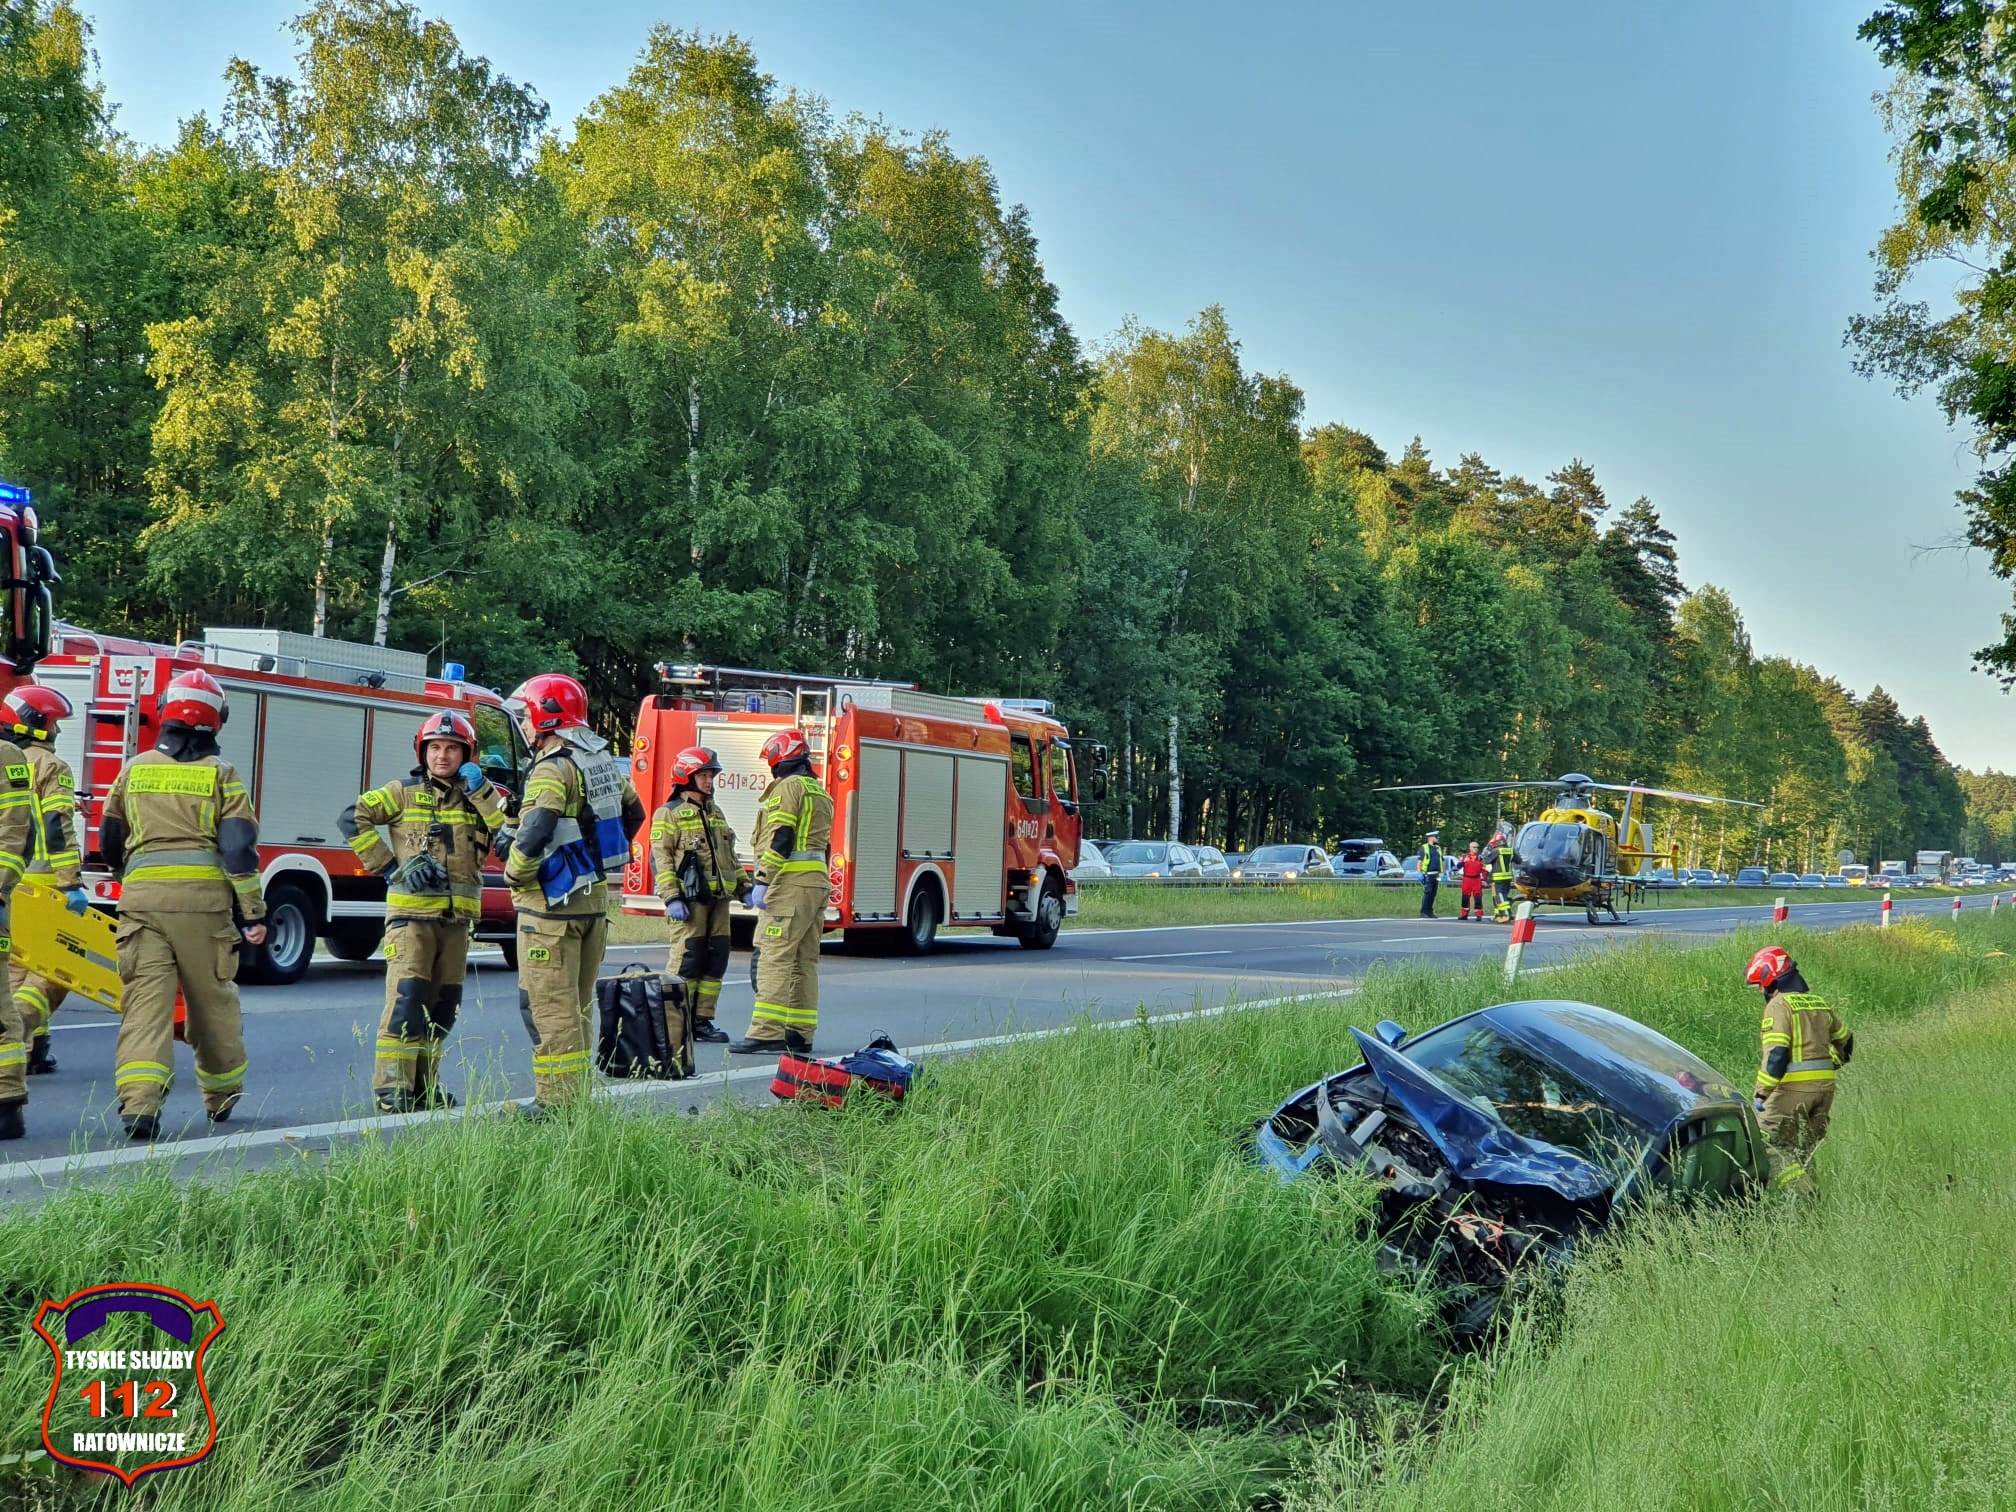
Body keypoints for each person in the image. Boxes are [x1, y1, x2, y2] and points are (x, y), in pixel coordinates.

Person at [100, 669, 265, 1140]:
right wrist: (253, 912)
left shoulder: (135, 768)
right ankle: (222, 1095)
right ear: (217, 720)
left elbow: (111, 836)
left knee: (145, 1007)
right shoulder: (222, 774)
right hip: (204, 910)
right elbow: (238, 851)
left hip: (141, 907)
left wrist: (126, 879)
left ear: (165, 713)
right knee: (212, 1004)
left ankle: (140, 1106)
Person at [341, 710, 505, 1113]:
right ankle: (391, 1089)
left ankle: (424, 1087)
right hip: (410, 920)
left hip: (455, 922)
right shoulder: (401, 792)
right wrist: (388, 867)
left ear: (467, 754)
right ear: (423, 751)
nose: (443, 756)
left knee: (442, 1007)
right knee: (406, 1001)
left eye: (452, 748)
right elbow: (352, 817)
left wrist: (483, 791)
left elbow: (508, 830)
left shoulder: (478, 798)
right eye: (435, 747)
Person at [497, 673, 644, 1114]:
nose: (523, 724)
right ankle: (576, 1098)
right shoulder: (597, 761)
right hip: (592, 907)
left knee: (548, 1008)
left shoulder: (552, 766)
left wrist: (515, 876)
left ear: (546, 715)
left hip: (550, 912)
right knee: (577, 1007)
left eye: (525, 716)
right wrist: (592, 861)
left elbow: (537, 828)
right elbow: (633, 815)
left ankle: (557, 1104)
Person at [729, 728, 833, 1055]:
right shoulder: (819, 792)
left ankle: (766, 1032)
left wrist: (762, 879)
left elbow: (781, 838)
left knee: (773, 956)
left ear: (779, 759)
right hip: (815, 883)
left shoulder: (787, 788)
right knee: (804, 961)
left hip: (789, 885)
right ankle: (800, 1032)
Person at [4, 686, 89, 1078]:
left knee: (16, 973)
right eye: (54, 722)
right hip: (43, 885)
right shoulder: (50, 766)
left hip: (8, 886)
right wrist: (70, 883)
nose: (57, 731)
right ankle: (16, 1039)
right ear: (36, 723)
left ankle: (35, 1051)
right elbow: (57, 826)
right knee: (55, 973)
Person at [650, 746, 749, 1046]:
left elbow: (728, 857)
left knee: (715, 961)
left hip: (718, 903)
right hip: (689, 903)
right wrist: (671, 897)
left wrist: (746, 887)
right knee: (687, 961)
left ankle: (702, 1021)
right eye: (703, 775)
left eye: (711, 775)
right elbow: (661, 859)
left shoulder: (715, 812)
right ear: (686, 777)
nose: (709, 781)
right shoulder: (669, 814)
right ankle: (673, 1023)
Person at [1746, 946, 1853, 1190]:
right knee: (1803, 1151)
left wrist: (1762, 1093)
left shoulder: (1779, 1006)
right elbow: (1846, 1043)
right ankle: (1811, 1205)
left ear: (1769, 978)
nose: (1762, 991)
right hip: (1825, 1091)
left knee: (1769, 1145)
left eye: (1761, 985)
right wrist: (1830, 1065)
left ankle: (1802, 1197)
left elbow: (1777, 1054)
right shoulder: (1818, 1003)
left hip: (1793, 1091)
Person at [0, 712, 41, 1140]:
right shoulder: (8, 754)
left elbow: (17, 836)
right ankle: (6, 1106)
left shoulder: (7, 754)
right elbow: (18, 835)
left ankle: (7, 1105)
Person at [1490, 824, 1516, 923]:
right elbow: (1518, 860)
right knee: (1504, 895)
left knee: (1500, 897)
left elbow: (1486, 861)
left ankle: (1506, 914)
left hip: (1498, 878)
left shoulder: (1496, 851)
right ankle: (1499, 915)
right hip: (1508, 879)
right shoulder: (1510, 851)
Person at [1457, 841, 1489, 920]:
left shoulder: (1481, 858)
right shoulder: (1465, 857)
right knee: (1465, 897)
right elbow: (1458, 866)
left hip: (1476, 880)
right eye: (1474, 847)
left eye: (1477, 847)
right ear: (1470, 848)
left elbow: (1485, 870)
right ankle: (1464, 915)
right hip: (1467, 879)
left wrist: (1484, 879)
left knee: (1478, 897)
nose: (1476, 849)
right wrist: (1463, 861)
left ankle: (1479, 915)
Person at [1419, 829, 1444, 918]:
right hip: (1428, 874)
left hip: (1436, 874)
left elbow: (1441, 860)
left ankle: (1429, 911)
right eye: (1436, 837)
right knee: (1428, 892)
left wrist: (1443, 873)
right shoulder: (1424, 848)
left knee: (1433, 893)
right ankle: (1424, 911)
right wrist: (1420, 873)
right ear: (1431, 838)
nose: (1437, 839)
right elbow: (1420, 862)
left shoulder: (1438, 848)